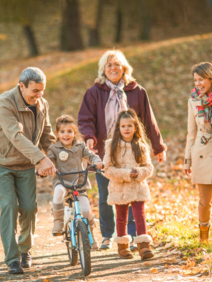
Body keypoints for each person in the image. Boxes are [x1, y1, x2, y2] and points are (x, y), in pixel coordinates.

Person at [78, 50, 166, 250]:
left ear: (124, 67)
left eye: (117, 64)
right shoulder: (94, 92)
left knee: (133, 193)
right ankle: (108, 235)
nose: (113, 68)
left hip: (132, 151)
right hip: (104, 152)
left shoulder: (137, 91)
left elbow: (148, 120)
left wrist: (158, 146)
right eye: (108, 65)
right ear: (103, 70)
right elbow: (85, 119)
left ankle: (135, 236)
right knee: (106, 195)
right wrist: (89, 137)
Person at [0, 67, 56, 274]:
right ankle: (12, 258)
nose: (39, 95)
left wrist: (52, 158)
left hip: (25, 162)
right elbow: (15, 137)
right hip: (1, 161)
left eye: (42, 90)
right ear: (21, 86)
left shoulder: (42, 104)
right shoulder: (4, 103)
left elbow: (47, 135)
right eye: (35, 91)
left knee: (28, 208)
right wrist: (40, 158)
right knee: (9, 205)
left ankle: (25, 250)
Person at [42, 115, 103, 249]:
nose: (66, 135)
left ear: (74, 132)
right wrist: (47, 168)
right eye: (62, 132)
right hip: (62, 182)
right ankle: (58, 221)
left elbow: (90, 155)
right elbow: (49, 160)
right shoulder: (53, 148)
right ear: (57, 134)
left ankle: (91, 234)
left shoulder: (80, 146)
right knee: (58, 191)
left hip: (78, 183)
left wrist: (96, 161)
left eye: (69, 131)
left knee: (86, 210)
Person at [184, 62, 212, 250]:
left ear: (211, 78)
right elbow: (191, 133)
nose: (198, 84)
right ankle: (203, 237)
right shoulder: (193, 101)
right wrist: (187, 159)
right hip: (201, 152)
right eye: (195, 80)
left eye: (201, 79)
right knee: (204, 200)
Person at [103, 109, 154, 260]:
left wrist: (138, 172)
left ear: (135, 128)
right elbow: (107, 169)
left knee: (139, 215)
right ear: (119, 128)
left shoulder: (141, 146)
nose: (126, 129)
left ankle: (144, 246)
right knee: (121, 217)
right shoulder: (112, 146)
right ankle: (123, 247)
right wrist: (125, 174)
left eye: (130, 126)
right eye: (123, 126)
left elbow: (148, 167)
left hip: (137, 187)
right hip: (119, 187)